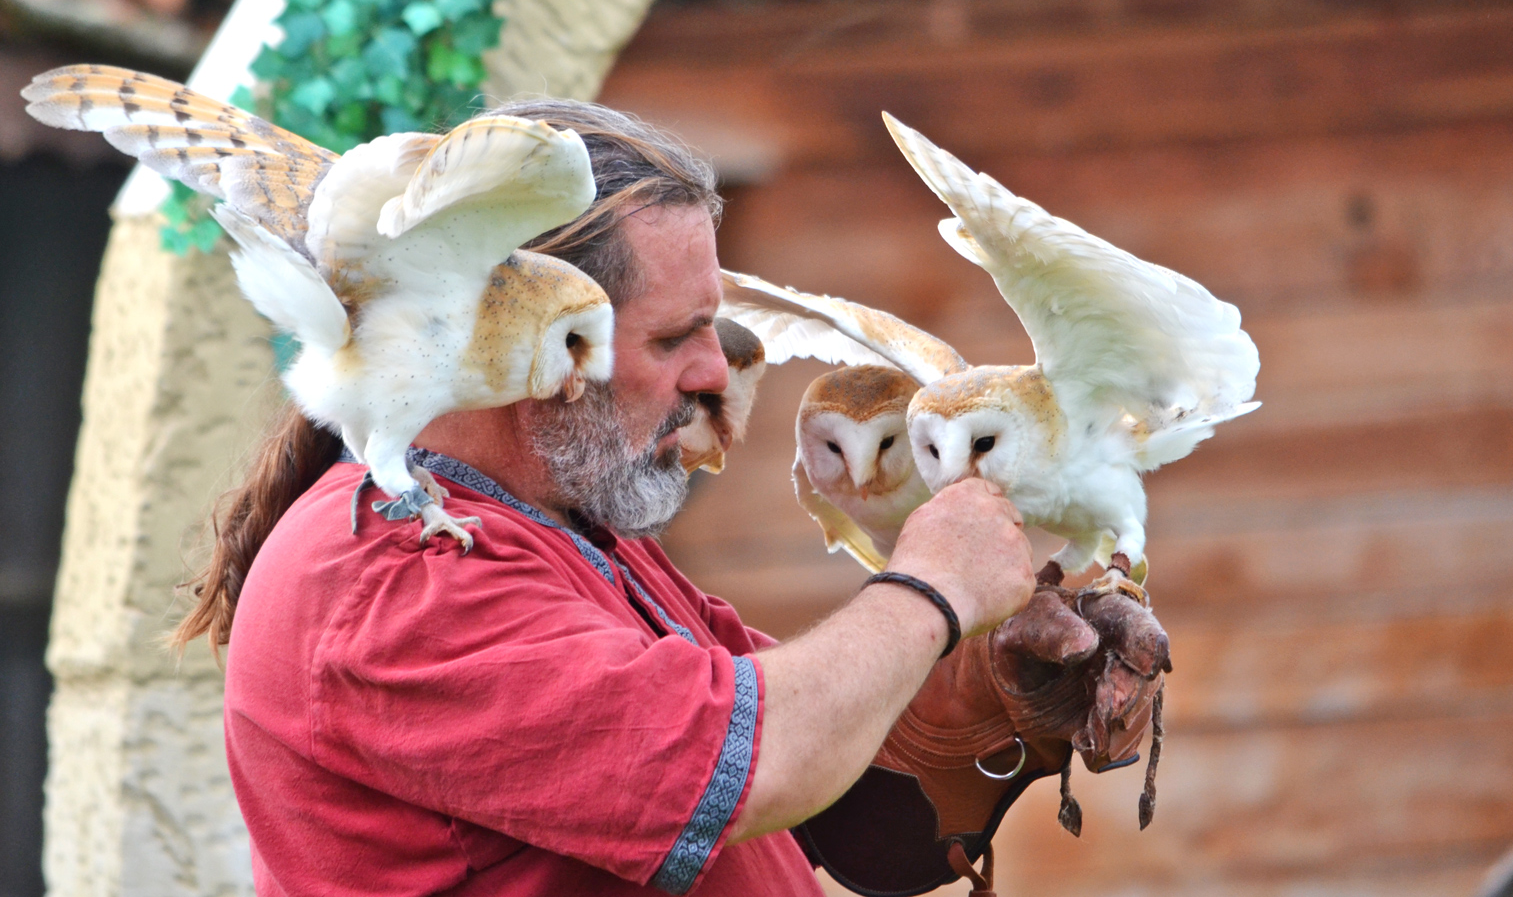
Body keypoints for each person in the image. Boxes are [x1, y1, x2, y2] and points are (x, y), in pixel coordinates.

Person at [176, 99, 1157, 896]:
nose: (711, 375)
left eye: (712, 330)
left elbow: (844, 803)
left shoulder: (571, 529)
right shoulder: (397, 578)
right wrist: (931, 591)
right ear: (538, 344)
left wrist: (1000, 686)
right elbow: (757, 766)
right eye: (671, 338)